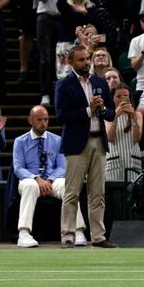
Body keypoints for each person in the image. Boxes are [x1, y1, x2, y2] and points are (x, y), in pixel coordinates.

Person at [55, 45, 116, 248]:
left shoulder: (99, 82)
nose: (86, 63)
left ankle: (98, 237)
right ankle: (68, 236)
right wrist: (88, 111)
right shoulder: (64, 85)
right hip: (76, 144)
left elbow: (111, 113)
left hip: (99, 141)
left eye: (87, 59)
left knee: (98, 193)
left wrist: (103, 109)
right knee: (72, 192)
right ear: (70, 62)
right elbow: (61, 116)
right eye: (81, 60)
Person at [12, 105, 86, 248]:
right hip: (30, 180)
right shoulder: (20, 141)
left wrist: (49, 179)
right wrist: (36, 178)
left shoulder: (57, 140)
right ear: (30, 120)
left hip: (52, 180)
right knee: (29, 185)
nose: (43, 123)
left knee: (67, 185)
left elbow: (62, 167)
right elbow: (18, 168)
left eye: (46, 119)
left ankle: (77, 231)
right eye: (39, 119)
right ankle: (24, 233)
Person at [106, 82, 143, 182]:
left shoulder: (138, 115)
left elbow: (137, 138)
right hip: (114, 162)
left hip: (133, 160)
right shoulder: (107, 116)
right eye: (118, 96)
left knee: (133, 193)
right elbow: (110, 138)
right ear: (112, 99)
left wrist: (132, 117)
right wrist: (116, 116)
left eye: (125, 96)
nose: (122, 99)